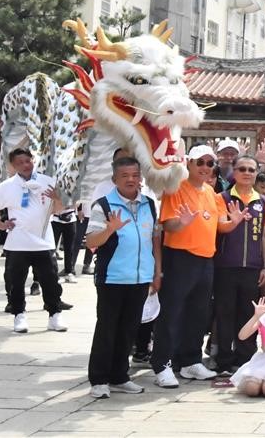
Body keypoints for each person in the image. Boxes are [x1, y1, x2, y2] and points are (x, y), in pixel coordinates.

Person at [150, 145, 247, 388]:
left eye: (209, 163)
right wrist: (180, 223)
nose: (205, 167)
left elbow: (220, 225)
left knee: (199, 313)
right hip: (180, 257)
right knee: (172, 312)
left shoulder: (212, 193)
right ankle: (162, 364)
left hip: (206, 259)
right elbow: (169, 225)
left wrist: (234, 222)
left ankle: (190, 360)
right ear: (189, 164)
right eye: (200, 162)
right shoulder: (176, 188)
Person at [84, 156, 160, 398]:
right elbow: (90, 241)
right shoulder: (104, 205)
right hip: (113, 278)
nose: (131, 180)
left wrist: (156, 272)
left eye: (135, 175)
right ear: (114, 178)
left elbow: (153, 240)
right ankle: (98, 379)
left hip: (140, 278)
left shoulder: (149, 203)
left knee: (129, 330)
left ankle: (119, 376)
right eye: (125, 176)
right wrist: (109, 229)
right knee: (107, 329)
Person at [0, 148, 66, 334]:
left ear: (32, 160)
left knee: (50, 280)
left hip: (44, 242)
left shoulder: (47, 181)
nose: (25, 166)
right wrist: (1, 225)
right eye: (19, 163)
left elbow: (58, 210)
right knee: (16, 281)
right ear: (13, 166)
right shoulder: (7, 186)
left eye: (27, 161)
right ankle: (19, 314)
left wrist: (56, 199)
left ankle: (54, 314)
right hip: (18, 243)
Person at [213, 155, 265, 375]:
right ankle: (223, 361)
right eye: (242, 169)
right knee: (224, 313)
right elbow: (220, 228)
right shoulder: (223, 198)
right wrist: (235, 221)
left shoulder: (264, 202)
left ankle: (246, 359)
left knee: (248, 313)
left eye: (251, 169)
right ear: (234, 173)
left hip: (253, 268)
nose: (247, 173)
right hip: (226, 266)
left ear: (257, 172)